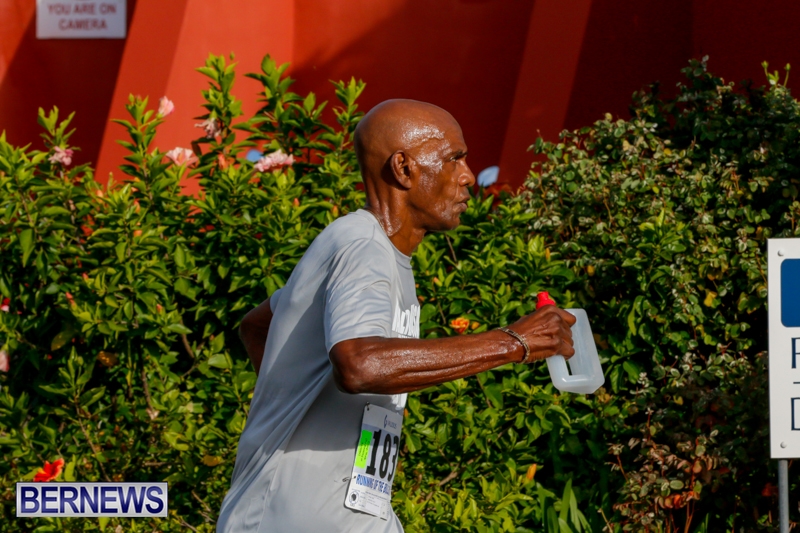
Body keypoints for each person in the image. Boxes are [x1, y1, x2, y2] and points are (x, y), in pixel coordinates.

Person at [215, 99, 576, 533]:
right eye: (454, 159)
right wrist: (513, 343)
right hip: (288, 519)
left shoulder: (379, 253)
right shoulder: (362, 244)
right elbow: (359, 364)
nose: (467, 176)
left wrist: (289, 399)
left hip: (357, 517)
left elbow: (258, 325)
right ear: (403, 169)